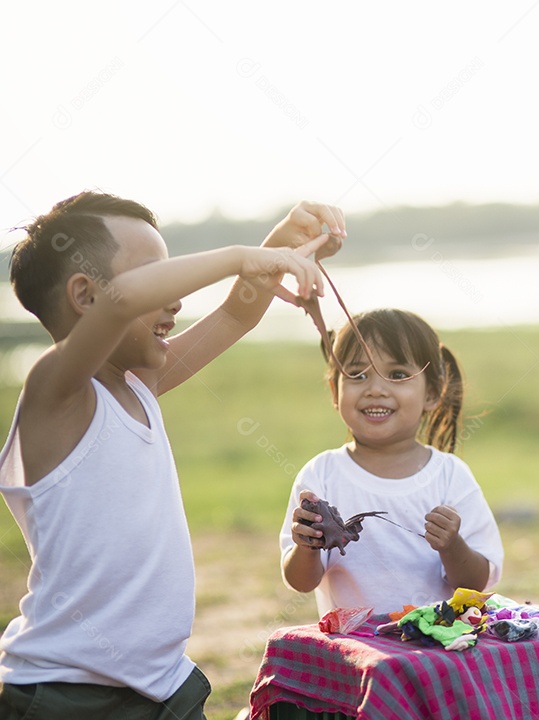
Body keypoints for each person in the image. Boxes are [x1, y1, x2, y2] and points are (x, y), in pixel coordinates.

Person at [0, 191, 345, 720]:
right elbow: (123, 301)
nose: (178, 295)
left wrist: (280, 244)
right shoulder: (55, 392)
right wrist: (238, 256)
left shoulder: (139, 384)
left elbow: (235, 315)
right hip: (67, 694)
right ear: (84, 294)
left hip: (162, 685)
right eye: (158, 274)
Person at [281, 308, 503, 616]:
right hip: (355, 650)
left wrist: (452, 546)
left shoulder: (450, 476)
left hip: (436, 648)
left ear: (432, 392)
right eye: (357, 375)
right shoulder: (321, 476)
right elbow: (301, 582)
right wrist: (306, 545)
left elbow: (475, 583)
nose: (375, 389)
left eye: (398, 375)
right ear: (335, 390)